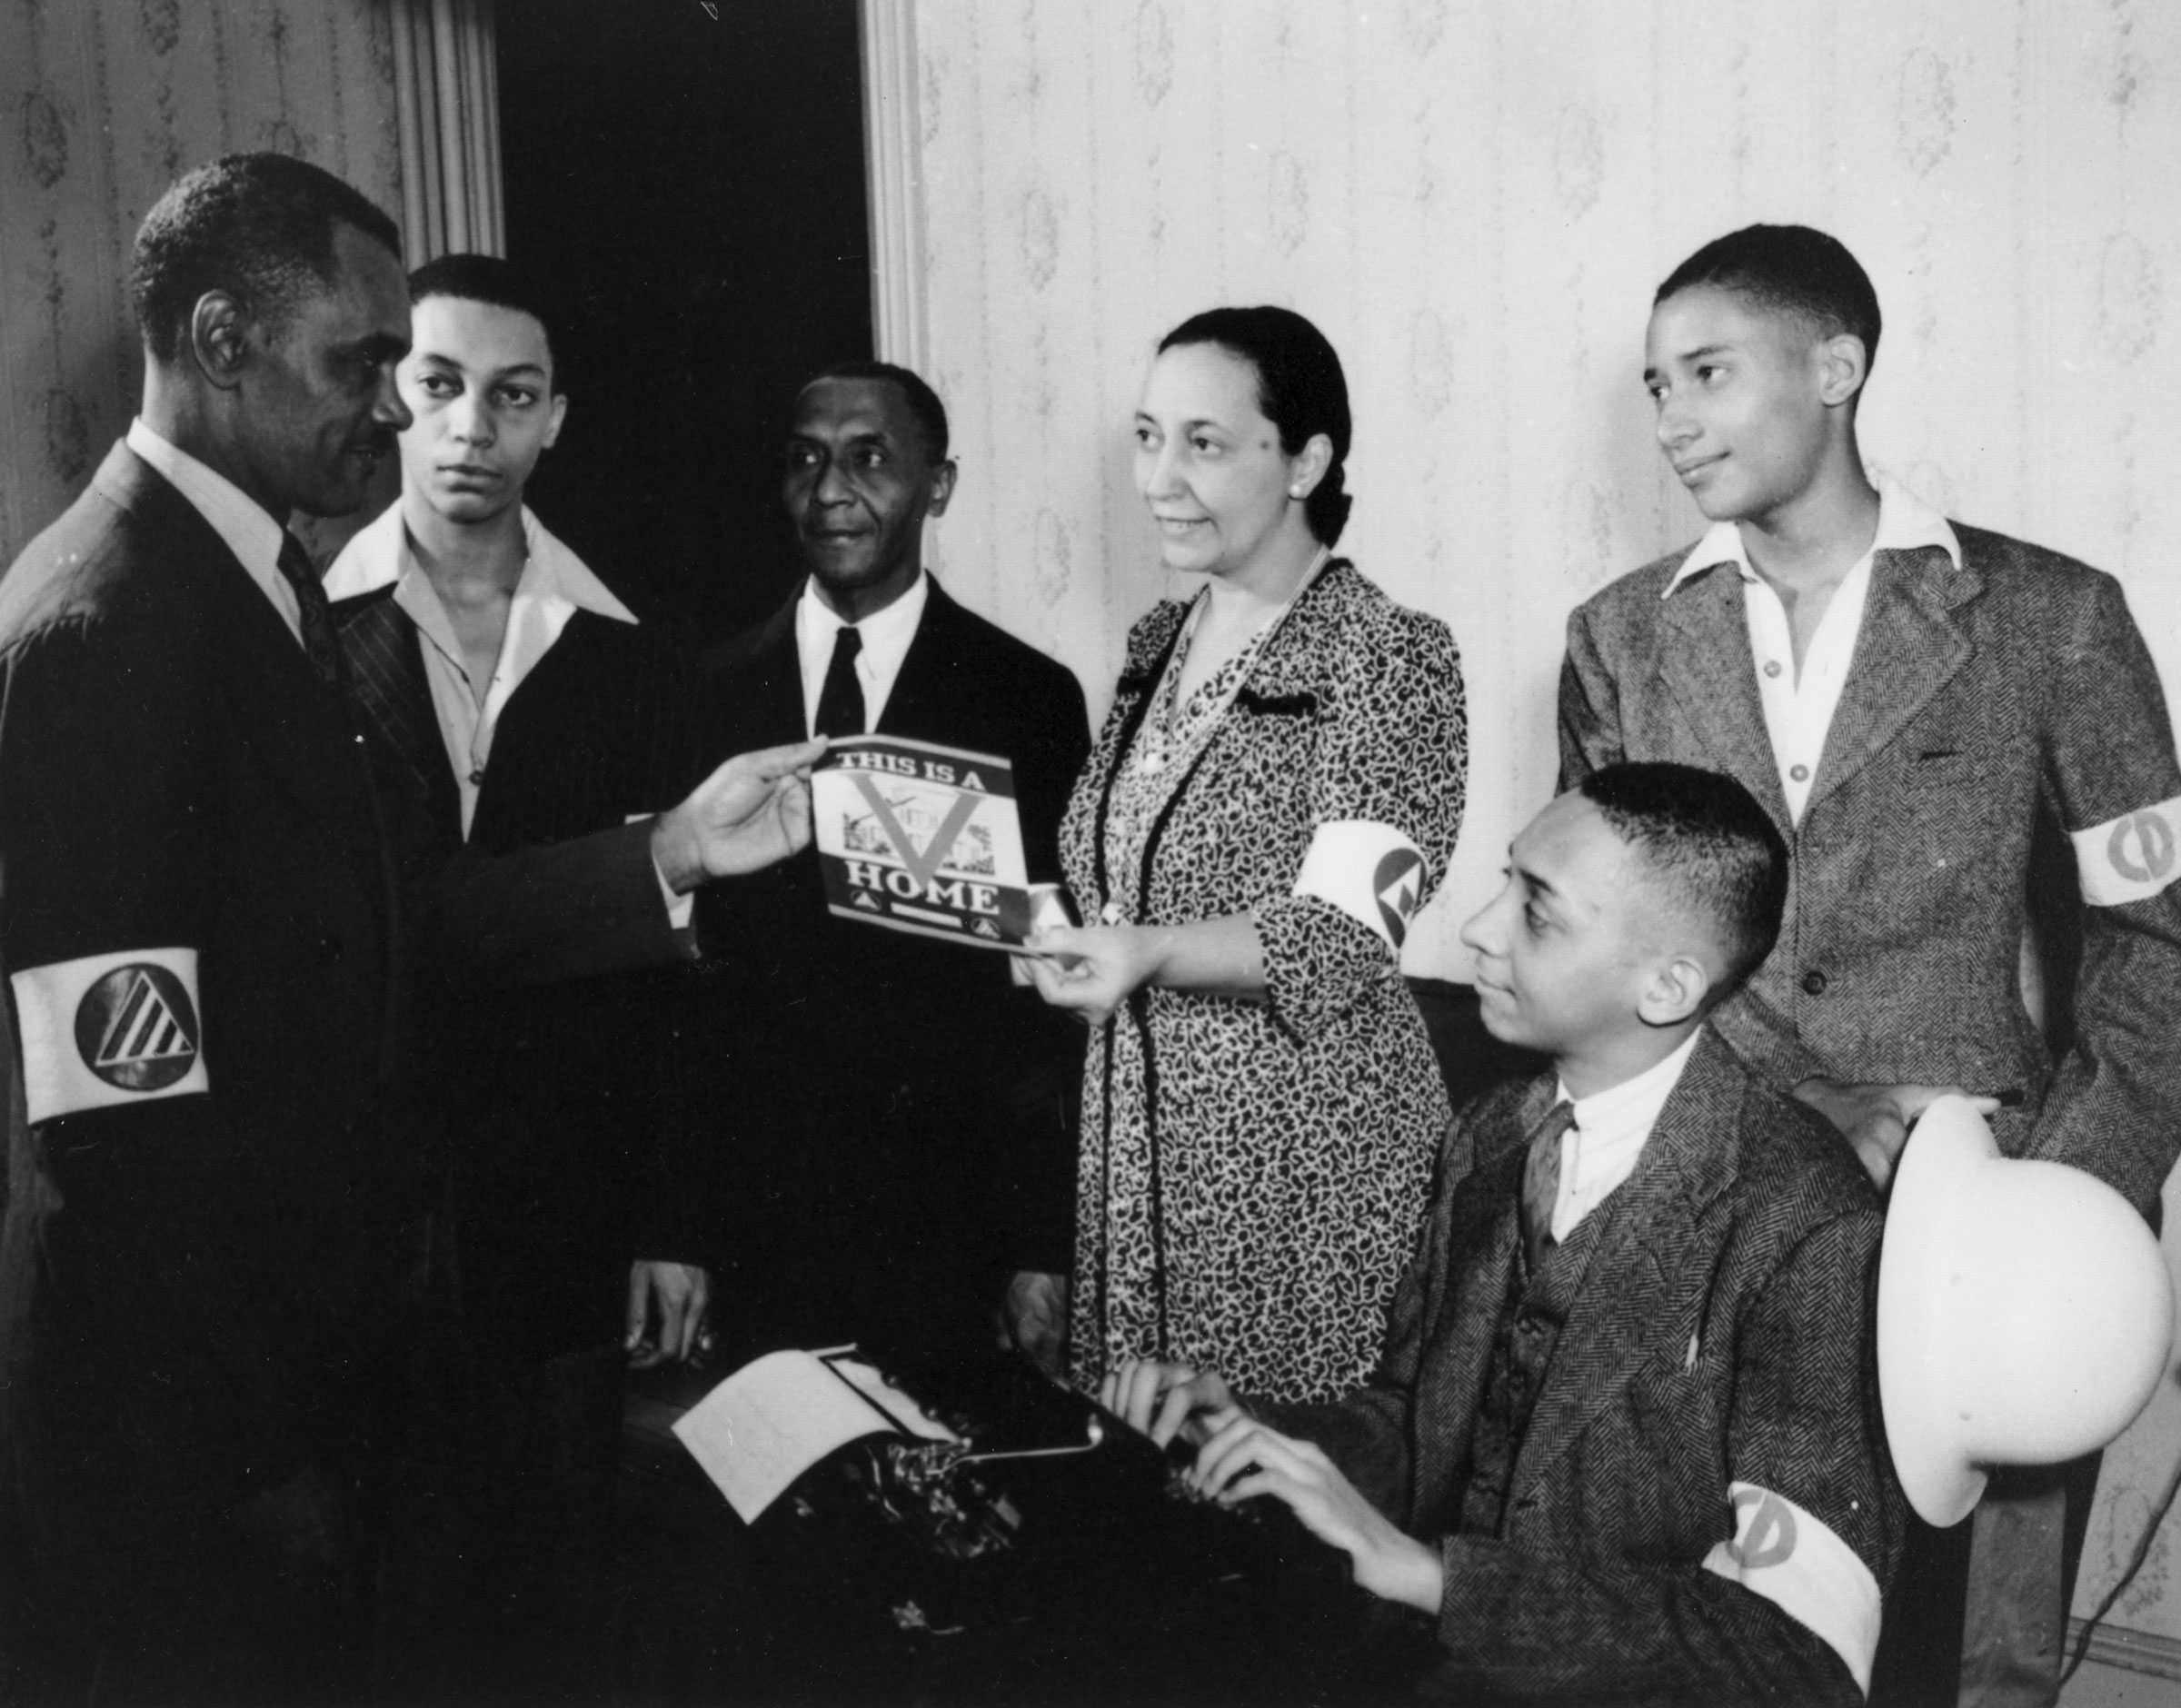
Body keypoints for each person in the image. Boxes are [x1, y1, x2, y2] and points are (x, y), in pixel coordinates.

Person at [1559, 223, 2181, 1705]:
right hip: (1714, 1235)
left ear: (1838, 367)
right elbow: (1604, 959)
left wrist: (2066, 1198)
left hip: (1993, 1251)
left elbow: (2157, 941)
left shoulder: (2053, 618)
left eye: (1708, 372)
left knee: (1978, 1667)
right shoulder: (1618, 643)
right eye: (1656, 387)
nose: (1673, 421)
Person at [1108, 762, 1903, 1706]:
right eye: (1504, 882)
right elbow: (1417, 1418)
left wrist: (1430, 1577)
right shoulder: (1489, 1134)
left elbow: (1795, 1655)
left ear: (1668, 984)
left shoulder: (1810, 1221)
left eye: (1537, 910)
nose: (1479, 928)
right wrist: (1250, 1431)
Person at [324, 253, 765, 1692]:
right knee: (375, 1601)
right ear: (393, 393)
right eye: (439, 387)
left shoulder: (633, 658)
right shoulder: (300, 633)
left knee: (557, 1600)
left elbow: (688, 990)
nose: (471, 431)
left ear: (555, 420)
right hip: (354, 1214)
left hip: (563, 1212)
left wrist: (675, 1217)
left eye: (510, 399)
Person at [1027, 306, 1465, 1405]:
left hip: (1296, 1166)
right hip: (1138, 1158)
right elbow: (1112, 882)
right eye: (1146, 436)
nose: (1159, 477)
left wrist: (1142, 949)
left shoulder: (1390, 653)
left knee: (1274, 1518)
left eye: (1205, 444)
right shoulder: (1152, 649)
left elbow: (1345, 935)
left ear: (1307, 460)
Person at [680, 360, 1090, 1367]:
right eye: (806, 461)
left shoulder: (1026, 697)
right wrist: (668, 1225)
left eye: (869, 460)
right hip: (753, 1230)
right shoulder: (703, 691)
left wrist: (1042, 1242)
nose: (831, 492)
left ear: (937, 486)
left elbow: (1043, 988)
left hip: (952, 1229)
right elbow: (678, 993)